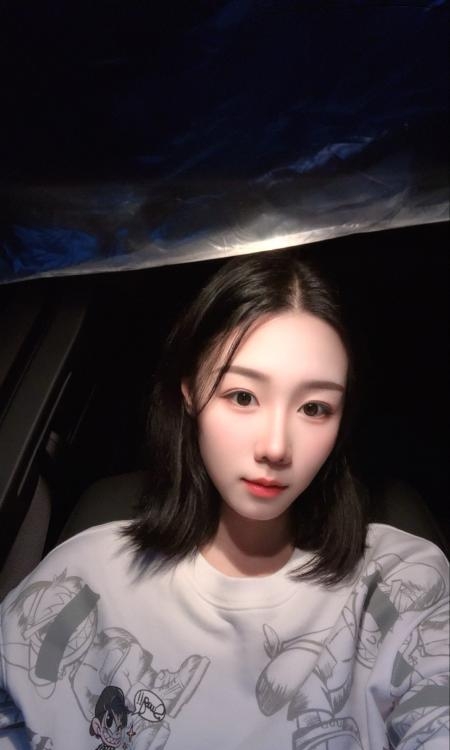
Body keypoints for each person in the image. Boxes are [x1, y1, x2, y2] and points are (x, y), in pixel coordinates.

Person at [0, 249, 448, 749]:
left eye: (314, 408)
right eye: (242, 397)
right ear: (190, 390)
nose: (275, 447)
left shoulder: (402, 586)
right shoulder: (81, 581)